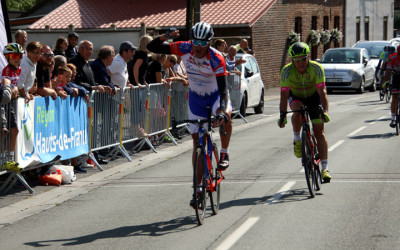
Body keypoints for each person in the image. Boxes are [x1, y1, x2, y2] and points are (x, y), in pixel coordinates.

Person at [147, 22, 233, 208]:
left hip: (215, 96)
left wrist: (222, 112)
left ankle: (224, 153)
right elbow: (151, 47)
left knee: (226, 113)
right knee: (197, 144)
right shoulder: (184, 47)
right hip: (196, 99)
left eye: (203, 43)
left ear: (209, 43)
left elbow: (224, 90)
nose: (198, 47)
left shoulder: (216, 58)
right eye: (196, 42)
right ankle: (198, 189)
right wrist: (165, 36)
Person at [278, 42, 331, 182]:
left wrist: (325, 111)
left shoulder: (316, 68)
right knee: (297, 112)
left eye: (303, 59)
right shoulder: (286, 71)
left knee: (319, 131)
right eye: (296, 60)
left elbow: (322, 92)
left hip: (314, 97)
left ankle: (325, 168)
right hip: (296, 96)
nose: (300, 63)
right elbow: (284, 95)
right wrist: (282, 115)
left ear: (308, 57)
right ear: (292, 60)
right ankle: (297, 139)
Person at [1, 43, 23, 163]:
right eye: (14, 55)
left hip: (15, 102)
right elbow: (9, 87)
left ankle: (10, 157)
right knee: (8, 131)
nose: (17, 58)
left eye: (20, 56)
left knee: (14, 130)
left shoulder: (19, 69)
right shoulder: (7, 70)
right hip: (8, 103)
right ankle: (5, 159)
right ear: (7, 57)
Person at [382, 44, 400, 128]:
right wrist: (384, 81)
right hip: (396, 77)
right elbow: (388, 71)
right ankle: (393, 118)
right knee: (394, 97)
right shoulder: (392, 57)